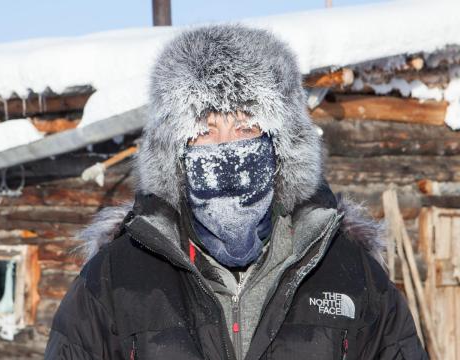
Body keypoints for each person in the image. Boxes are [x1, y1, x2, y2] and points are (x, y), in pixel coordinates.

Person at [44, 24, 427, 359]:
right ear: (174, 152)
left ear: (281, 147)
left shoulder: (349, 274)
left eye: (245, 128)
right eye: (205, 130)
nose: (226, 149)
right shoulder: (115, 279)